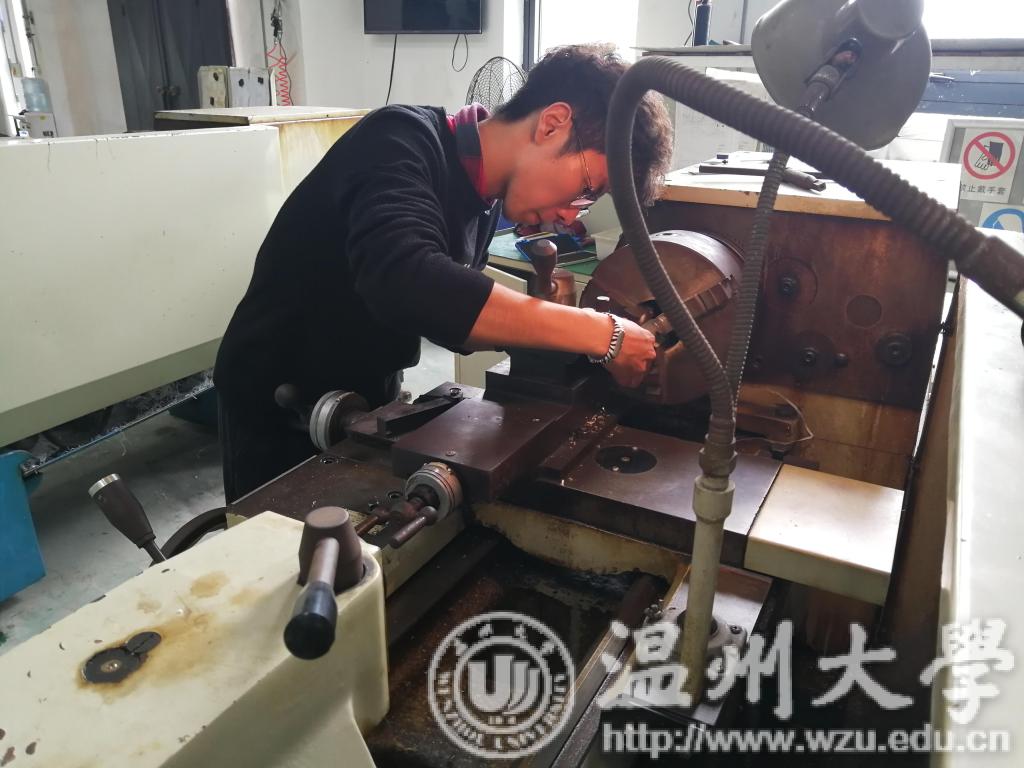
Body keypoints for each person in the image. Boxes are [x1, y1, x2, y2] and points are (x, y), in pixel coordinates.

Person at [214, 43, 674, 502]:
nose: (572, 216)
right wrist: (601, 333)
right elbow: (406, 281)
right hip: (280, 396)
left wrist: (554, 336)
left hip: (366, 391)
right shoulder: (398, 140)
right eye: (587, 189)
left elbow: (449, 315)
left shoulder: (484, 200)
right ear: (552, 123)